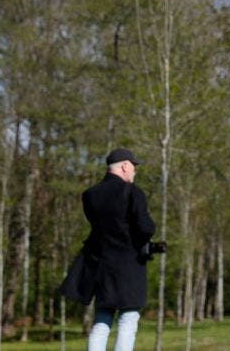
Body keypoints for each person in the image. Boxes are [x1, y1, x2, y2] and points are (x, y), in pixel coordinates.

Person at [81, 148, 156, 351]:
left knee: (101, 322)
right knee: (128, 320)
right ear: (124, 165)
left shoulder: (89, 195)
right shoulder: (132, 192)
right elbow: (146, 228)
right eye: (134, 166)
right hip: (128, 267)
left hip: (101, 267)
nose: (135, 172)